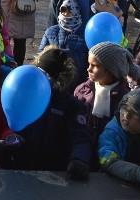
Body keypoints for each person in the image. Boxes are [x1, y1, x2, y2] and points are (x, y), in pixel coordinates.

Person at [8, 45, 91, 178]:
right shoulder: (23, 93)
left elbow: (80, 138)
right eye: (37, 70)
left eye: (46, 74)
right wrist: (9, 139)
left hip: (53, 171)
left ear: (58, 79)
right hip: (21, 167)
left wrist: (79, 160)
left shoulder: (70, 105)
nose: (39, 76)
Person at [38, 0, 91, 85]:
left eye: (70, 11)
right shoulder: (50, 32)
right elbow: (39, 56)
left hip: (77, 86)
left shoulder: (88, 36)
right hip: (50, 84)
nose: (66, 14)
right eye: (63, 10)